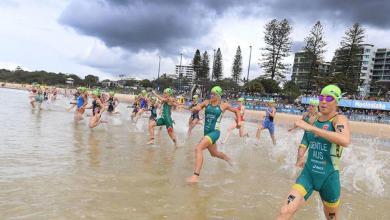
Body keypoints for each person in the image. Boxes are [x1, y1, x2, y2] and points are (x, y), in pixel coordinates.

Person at [277, 85, 351, 220]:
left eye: (329, 98)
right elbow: (306, 137)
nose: (323, 101)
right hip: (308, 175)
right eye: (321, 97)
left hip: (329, 179)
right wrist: (300, 155)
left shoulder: (339, 120)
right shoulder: (313, 120)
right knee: (285, 211)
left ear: (337, 101)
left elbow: (344, 140)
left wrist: (312, 129)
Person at [186, 86, 242, 183]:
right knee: (214, 154)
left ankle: (195, 176)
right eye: (211, 93)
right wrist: (196, 108)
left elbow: (236, 111)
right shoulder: (206, 102)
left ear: (218, 95)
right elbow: (199, 107)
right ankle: (229, 160)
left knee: (198, 148)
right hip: (207, 133)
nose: (211, 95)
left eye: (213, 94)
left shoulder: (223, 105)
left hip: (215, 133)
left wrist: (239, 122)